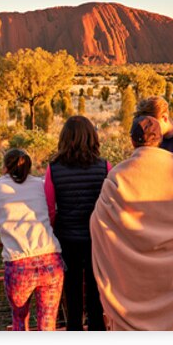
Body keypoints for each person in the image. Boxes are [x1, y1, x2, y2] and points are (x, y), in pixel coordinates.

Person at [90, 116, 173, 330]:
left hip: (133, 287)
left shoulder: (118, 176)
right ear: (160, 139)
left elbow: (98, 224)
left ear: (132, 141)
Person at [0, 149, 64, 331]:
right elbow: (52, 208)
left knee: (19, 320)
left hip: (19, 265)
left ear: (5, 166)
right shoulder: (40, 184)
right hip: (50, 259)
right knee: (48, 325)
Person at [43, 115, 108, 331]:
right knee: (95, 295)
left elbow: (50, 209)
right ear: (92, 137)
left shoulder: (53, 169)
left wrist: (53, 233)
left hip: (67, 240)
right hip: (96, 240)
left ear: (64, 139)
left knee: (72, 296)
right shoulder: (104, 167)